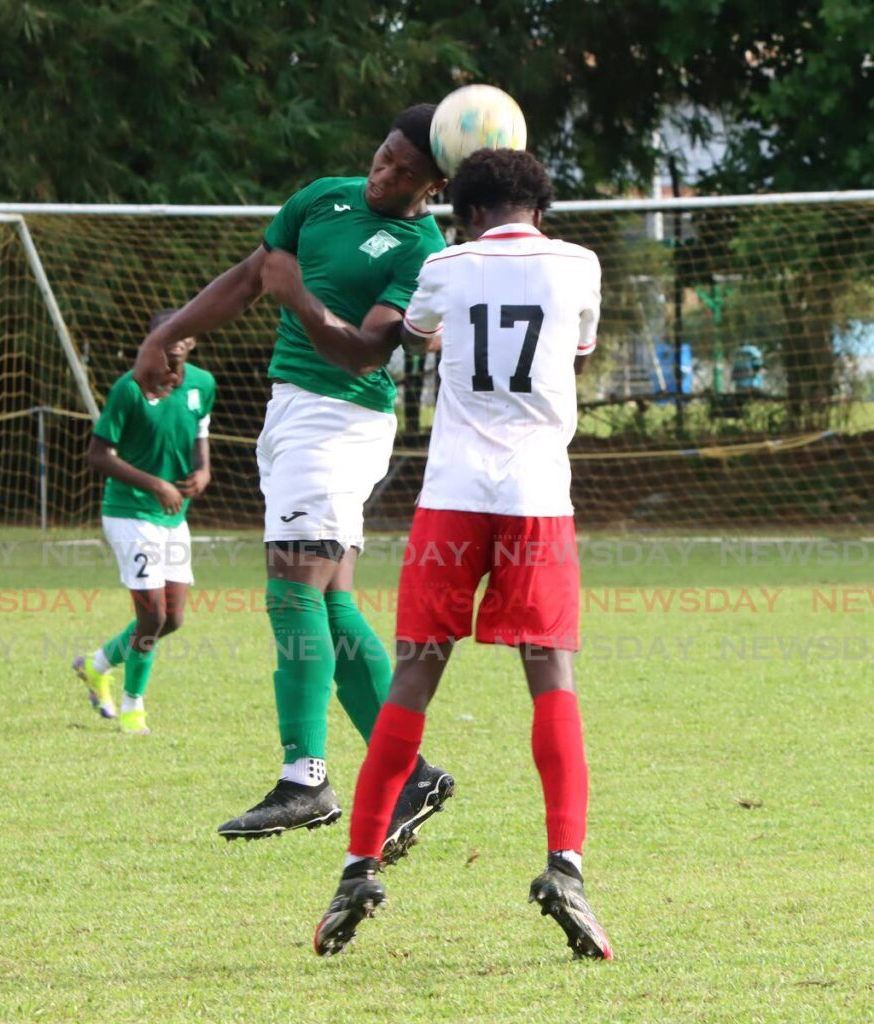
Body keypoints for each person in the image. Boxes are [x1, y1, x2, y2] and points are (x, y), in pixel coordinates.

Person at [264, 148, 613, 959]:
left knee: (416, 670)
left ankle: (356, 869)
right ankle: (565, 864)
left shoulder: (444, 266)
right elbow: (578, 355)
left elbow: (413, 338)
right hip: (536, 501)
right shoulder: (578, 265)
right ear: (540, 208)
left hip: (451, 501)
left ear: (459, 211)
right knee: (550, 673)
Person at [132, 106, 454, 860]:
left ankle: (305, 777)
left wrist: (298, 295)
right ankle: (410, 773)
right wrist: (169, 331)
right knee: (330, 601)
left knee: (290, 590)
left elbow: (367, 353)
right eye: (381, 156)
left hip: (340, 420)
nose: (382, 174)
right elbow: (249, 278)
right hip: (290, 416)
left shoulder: (422, 250)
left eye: (403, 171)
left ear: (433, 186)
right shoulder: (322, 197)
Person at [74, 310, 214, 734]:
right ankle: (133, 705)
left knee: (172, 619)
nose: (172, 353)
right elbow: (98, 455)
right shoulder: (129, 389)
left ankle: (97, 665)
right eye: (163, 343)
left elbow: (200, 433)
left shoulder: (202, 385)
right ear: (151, 342)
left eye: (180, 343)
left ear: (191, 342)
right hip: (129, 512)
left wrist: (203, 471)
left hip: (173, 516)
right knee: (151, 615)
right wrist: (156, 484)